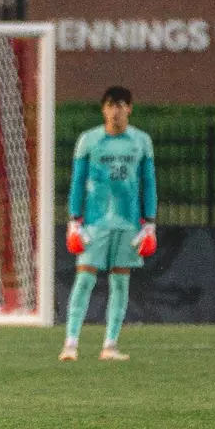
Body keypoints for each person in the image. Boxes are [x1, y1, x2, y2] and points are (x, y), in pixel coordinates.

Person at [60, 85, 157, 362]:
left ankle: (110, 344)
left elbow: (148, 183)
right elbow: (78, 181)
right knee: (85, 278)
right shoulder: (89, 140)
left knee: (120, 283)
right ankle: (70, 343)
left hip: (128, 224)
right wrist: (73, 220)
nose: (116, 111)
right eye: (111, 105)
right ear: (104, 109)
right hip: (95, 222)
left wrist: (149, 222)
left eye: (122, 105)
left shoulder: (141, 141)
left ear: (130, 108)